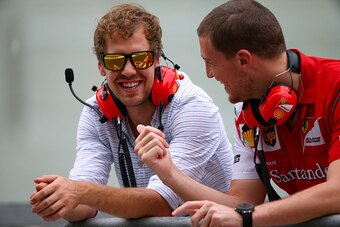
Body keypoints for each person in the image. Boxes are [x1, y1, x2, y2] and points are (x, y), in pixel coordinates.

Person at [137, 0, 340, 226]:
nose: (209, 74)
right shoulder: (248, 111)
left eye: (210, 62)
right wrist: (170, 174)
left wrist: (247, 218)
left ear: (243, 60)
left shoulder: (336, 85)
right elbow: (241, 202)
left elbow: (337, 192)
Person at [29, 3, 234, 222]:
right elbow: (81, 206)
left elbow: (163, 203)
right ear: (101, 66)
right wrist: (58, 199)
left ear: (156, 60)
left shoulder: (193, 106)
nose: (128, 71)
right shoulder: (95, 113)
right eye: (115, 61)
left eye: (141, 59)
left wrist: (80, 192)